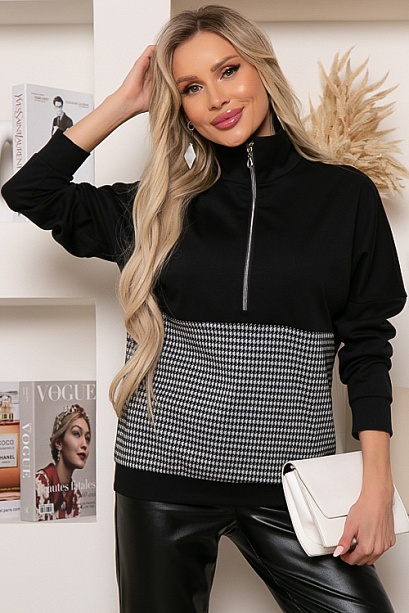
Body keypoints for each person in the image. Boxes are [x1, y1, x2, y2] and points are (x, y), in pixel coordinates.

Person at [2, 4, 406, 611]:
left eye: (228, 71)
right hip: (162, 478)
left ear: (262, 69)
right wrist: (124, 102)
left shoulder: (345, 196)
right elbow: (29, 190)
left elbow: (368, 346)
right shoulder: (155, 206)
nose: (216, 98)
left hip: (292, 485)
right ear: (179, 106)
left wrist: (376, 485)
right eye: (191, 87)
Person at [35, 404, 91, 520]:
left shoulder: (76, 495)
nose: (84, 444)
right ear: (59, 443)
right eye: (76, 434)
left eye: (87, 438)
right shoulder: (39, 484)